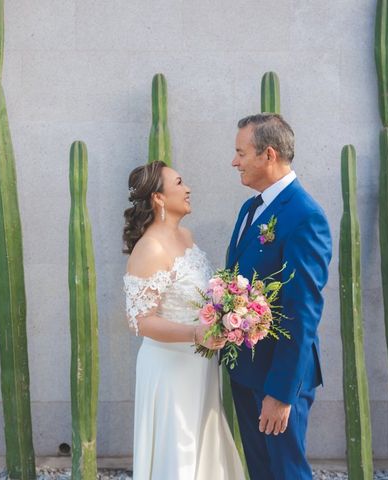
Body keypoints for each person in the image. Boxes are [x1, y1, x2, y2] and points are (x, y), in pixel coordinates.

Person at [123, 160, 245, 480]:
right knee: (179, 447)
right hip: (170, 369)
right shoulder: (149, 248)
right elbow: (139, 321)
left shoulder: (187, 237)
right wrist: (196, 333)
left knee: (205, 442)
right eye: (178, 183)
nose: (187, 188)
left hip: (200, 365)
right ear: (158, 198)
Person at [226, 113, 332, 479]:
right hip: (246, 372)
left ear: (268, 154)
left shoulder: (305, 216)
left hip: (279, 378)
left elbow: (302, 311)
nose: (234, 161)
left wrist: (282, 393)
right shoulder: (249, 208)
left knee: (287, 472)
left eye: (241, 152)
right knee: (261, 471)